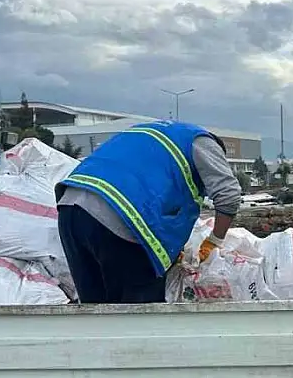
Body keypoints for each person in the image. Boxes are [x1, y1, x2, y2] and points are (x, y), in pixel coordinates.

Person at [55, 119, 243, 304]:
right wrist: (215, 241)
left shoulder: (154, 135)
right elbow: (229, 194)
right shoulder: (203, 142)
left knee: (94, 310)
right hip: (118, 213)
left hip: (70, 207)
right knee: (140, 313)